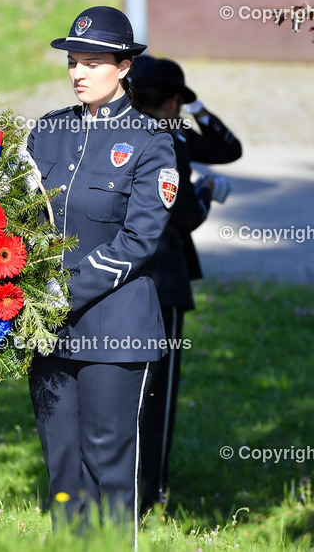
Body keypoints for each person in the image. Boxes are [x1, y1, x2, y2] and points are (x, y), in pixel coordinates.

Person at [24, 6, 177, 537]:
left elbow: (137, 239)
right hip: (47, 328)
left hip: (114, 325)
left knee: (106, 464)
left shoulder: (150, 141)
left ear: (124, 67)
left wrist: (58, 292)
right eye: (73, 62)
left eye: (92, 62)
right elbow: (21, 222)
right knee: (62, 468)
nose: (78, 73)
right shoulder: (47, 132)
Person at [130, 56, 241, 512]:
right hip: (164, 282)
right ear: (173, 100)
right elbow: (183, 218)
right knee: (158, 395)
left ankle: (128, 486)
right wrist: (205, 193)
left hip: (123, 283)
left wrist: (190, 108)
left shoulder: (131, 133)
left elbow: (225, 149)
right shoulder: (169, 143)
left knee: (127, 392)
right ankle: (150, 490)